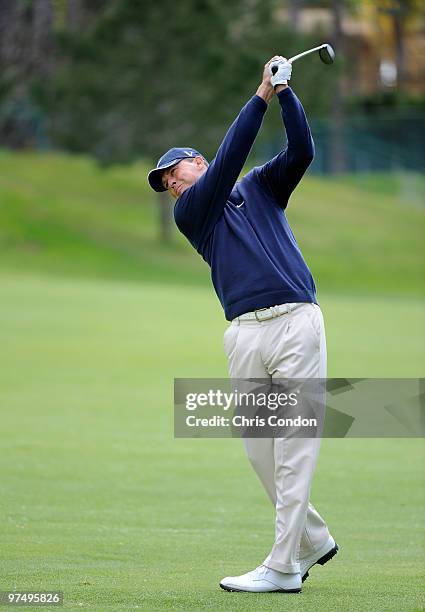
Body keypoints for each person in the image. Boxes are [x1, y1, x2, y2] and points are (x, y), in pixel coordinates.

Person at [147, 56, 338, 594]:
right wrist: (260, 96)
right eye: (164, 185)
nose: (170, 187)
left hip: (297, 321)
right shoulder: (192, 213)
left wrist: (287, 95)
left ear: (195, 162)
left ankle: (283, 567)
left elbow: (301, 152)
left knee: (294, 449)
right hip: (245, 334)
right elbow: (232, 157)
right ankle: (314, 538)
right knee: (261, 451)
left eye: (173, 174)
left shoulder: (261, 187)